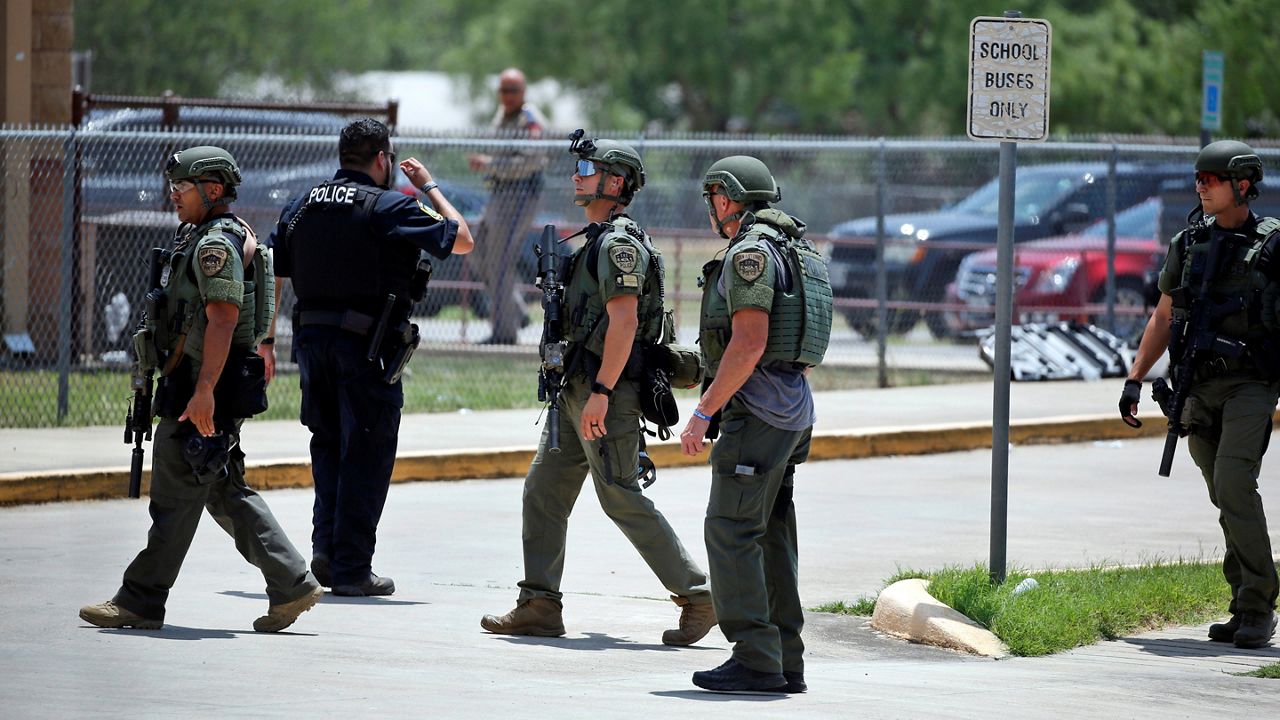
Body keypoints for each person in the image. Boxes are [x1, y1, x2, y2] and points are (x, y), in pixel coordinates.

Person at [480, 132, 716, 646]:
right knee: (543, 492)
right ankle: (540, 602)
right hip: (576, 388)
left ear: (614, 182)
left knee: (621, 498)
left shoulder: (618, 245)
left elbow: (624, 322)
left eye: (587, 169)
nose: (576, 176)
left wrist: (604, 392)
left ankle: (698, 595)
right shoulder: (595, 238)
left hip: (603, 390)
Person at [80, 146, 321, 633]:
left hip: (203, 385)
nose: (173, 194)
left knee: (175, 493)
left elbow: (223, 318)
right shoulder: (204, 236)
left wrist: (204, 390)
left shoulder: (216, 245)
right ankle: (292, 582)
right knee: (222, 489)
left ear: (212, 190)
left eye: (182, 186)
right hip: (200, 381)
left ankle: (141, 599)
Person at [268, 119, 474, 597]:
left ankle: (325, 551)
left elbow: (269, 266)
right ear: (382, 159)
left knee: (328, 447)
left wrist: (264, 342)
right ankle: (353, 569)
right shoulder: (388, 205)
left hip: (311, 345)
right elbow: (461, 238)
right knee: (366, 453)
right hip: (365, 349)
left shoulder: (301, 205)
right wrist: (430, 186)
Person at [680, 156, 832, 693]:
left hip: (760, 413)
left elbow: (749, 342)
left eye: (713, 199)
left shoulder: (750, 252)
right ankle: (785, 659)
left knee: (730, 531)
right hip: (794, 410)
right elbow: (805, 347)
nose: (712, 209)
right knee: (770, 535)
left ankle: (755, 657)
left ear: (725, 198)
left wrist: (702, 414)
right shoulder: (796, 250)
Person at [1121, 140, 1279, 649]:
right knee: (1222, 494)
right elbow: (1164, 315)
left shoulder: (1274, 245)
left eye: (1211, 179)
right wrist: (1135, 377)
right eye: (1198, 179)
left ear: (1243, 185)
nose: (1200, 187)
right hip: (1199, 384)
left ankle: (1259, 605)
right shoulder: (1188, 244)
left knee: (1234, 483)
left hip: (1253, 381)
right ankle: (1243, 602)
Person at [467, 67, 548, 344]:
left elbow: (530, 161)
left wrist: (490, 163)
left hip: (520, 193)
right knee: (476, 250)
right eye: (504, 90)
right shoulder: (502, 115)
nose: (508, 95)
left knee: (500, 260)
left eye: (513, 90)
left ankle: (504, 333)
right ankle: (515, 310)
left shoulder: (529, 118)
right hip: (498, 193)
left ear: (523, 92)